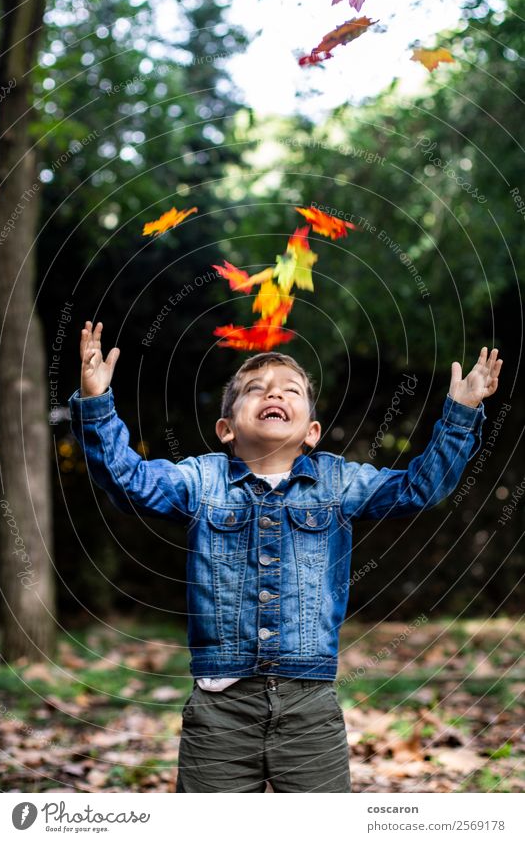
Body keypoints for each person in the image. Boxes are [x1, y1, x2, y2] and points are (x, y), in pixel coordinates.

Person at [68, 320, 502, 793]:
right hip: (220, 711)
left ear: (312, 431)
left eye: (290, 390)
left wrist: (461, 412)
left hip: (309, 706)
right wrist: (96, 404)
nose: (273, 394)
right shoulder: (201, 481)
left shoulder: (338, 483)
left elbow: (420, 487)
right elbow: (129, 481)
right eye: (255, 389)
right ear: (226, 428)